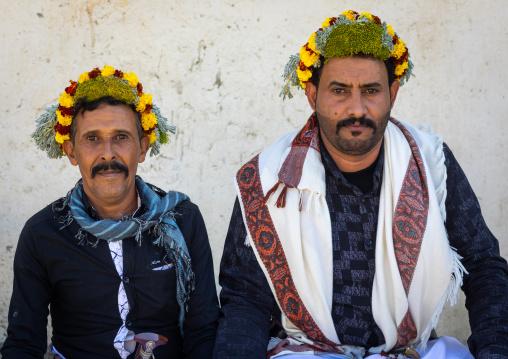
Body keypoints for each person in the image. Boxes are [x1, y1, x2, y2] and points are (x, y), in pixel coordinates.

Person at [213, 11, 508, 359]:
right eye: (339, 91)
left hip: (411, 352)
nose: (356, 108)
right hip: (305, 353)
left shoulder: (431, 163)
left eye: (371, 91)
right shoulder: (266, 180)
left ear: (393, 93)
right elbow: (245, 299)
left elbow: (485, 269)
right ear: (312, 94)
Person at [1, 66, 218, 359]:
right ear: (71, 151)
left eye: (121, 137)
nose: (108, 153)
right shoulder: (43, 233)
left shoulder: (182, 219)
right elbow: (24, 342)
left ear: (142, 148)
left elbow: (203, 328)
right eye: (92, 138)